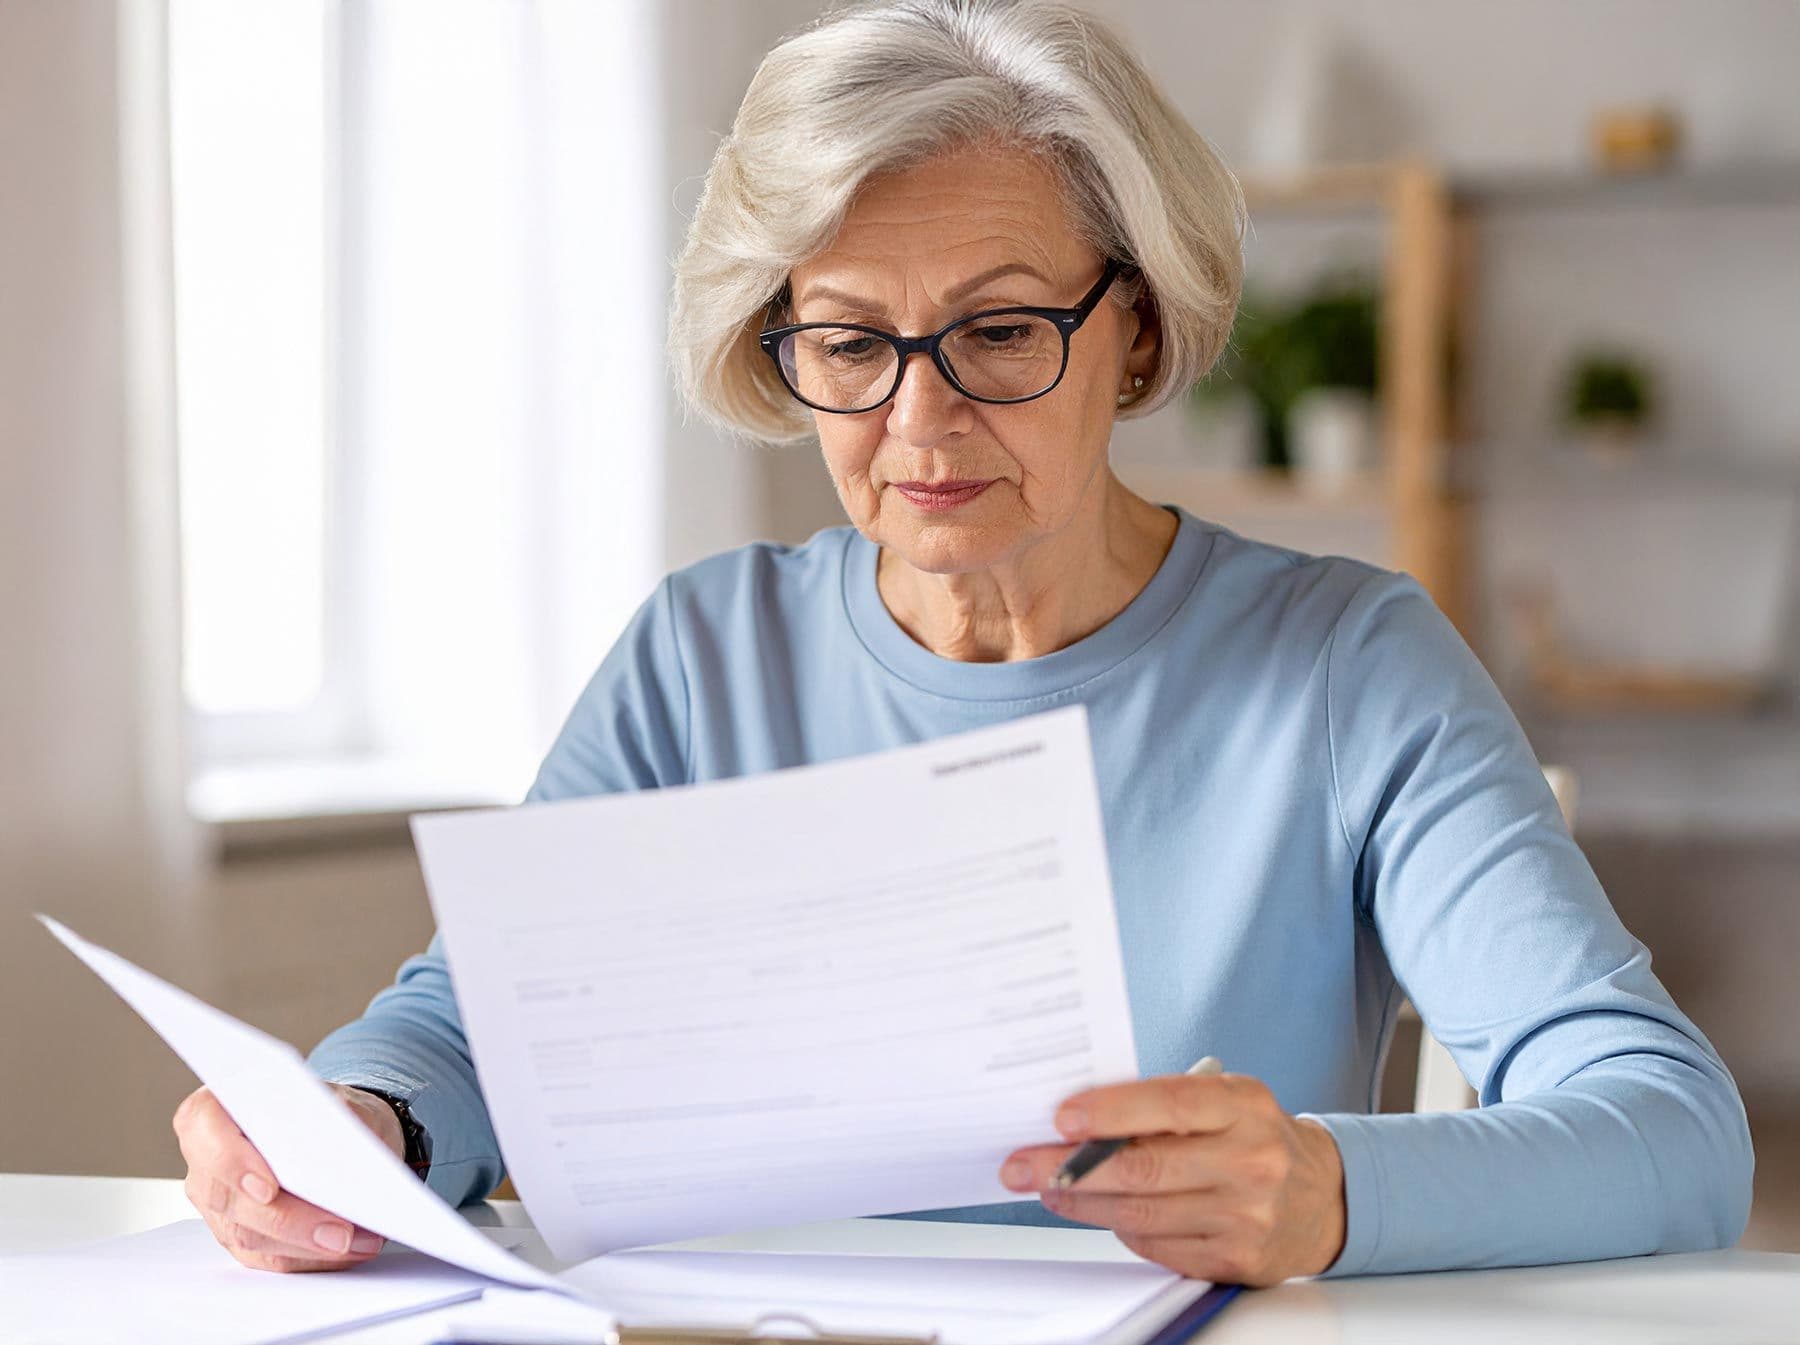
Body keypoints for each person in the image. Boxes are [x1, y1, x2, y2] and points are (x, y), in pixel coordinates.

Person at [173, 0, 1753, 1284]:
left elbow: (1671, 1127)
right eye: (849, 341)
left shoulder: (1345, 664)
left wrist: (1333, 1187)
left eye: (999, 330)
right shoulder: (703, 652)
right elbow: (468, 1021)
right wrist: (356, 1115)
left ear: (1131, 330)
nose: (919, 420)